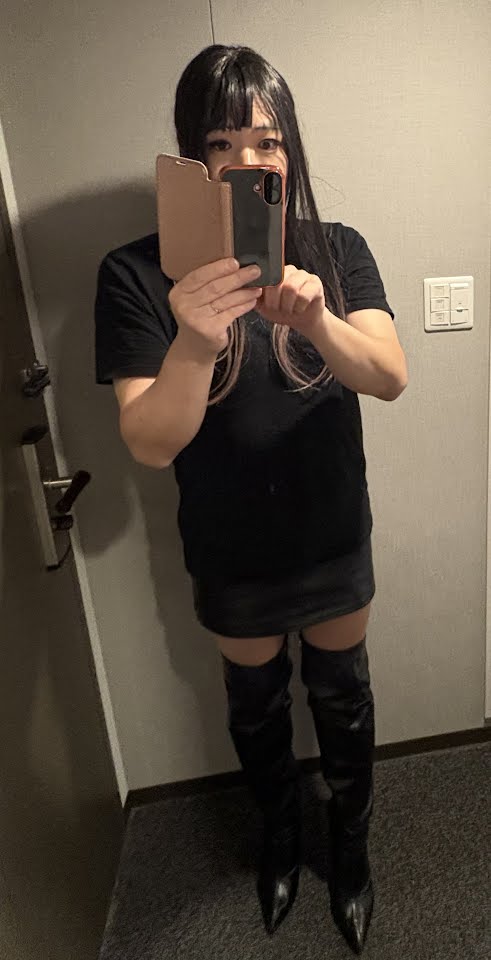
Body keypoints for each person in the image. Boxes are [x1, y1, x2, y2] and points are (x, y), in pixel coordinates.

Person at [95, 44, 408, 955]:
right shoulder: (136, 273)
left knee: (343, 698)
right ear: (192, 156)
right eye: (220, 142)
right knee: (256, 706)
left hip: (330, 531)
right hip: (231, 545)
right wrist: (194, 338)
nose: (246, 160)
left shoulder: (334, 250)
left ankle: (349, 849)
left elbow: (388, 377)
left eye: (265, 141)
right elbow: (150, 441)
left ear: (289, 149)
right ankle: (278, 838)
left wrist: (315, 317)